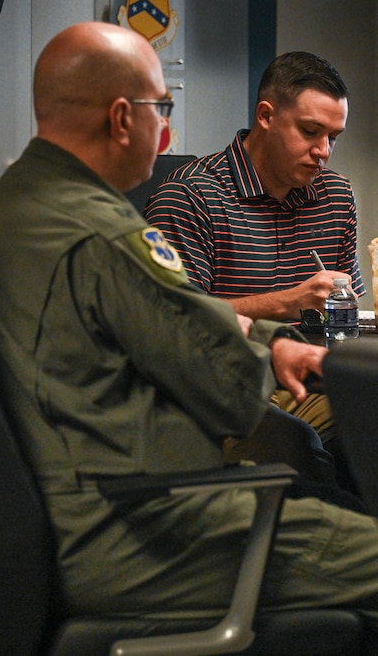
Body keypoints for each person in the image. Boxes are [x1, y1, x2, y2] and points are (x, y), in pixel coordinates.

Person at [0, 21, 378, 654]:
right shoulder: (101, 233)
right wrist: (269, 349)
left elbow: (167, 322)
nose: (167, 132)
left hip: (75, 515)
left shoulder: (14, 209)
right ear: (122, 118)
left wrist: (271, 341)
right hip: (144, 529)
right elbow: (223, 387)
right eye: (163, 109)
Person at [144, 51, 359, 452]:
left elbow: (351, 313)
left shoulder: (335, 196)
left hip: (315, 371)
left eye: (333, 137)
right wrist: (287, 303)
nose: (324, 151)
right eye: (310, 131)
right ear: (266, 116)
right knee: (370, 416)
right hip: (229, 386)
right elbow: (177, 329)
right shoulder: (191, 196)